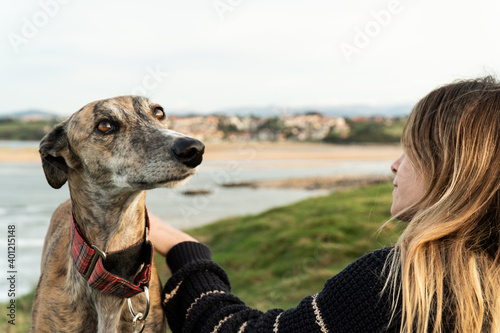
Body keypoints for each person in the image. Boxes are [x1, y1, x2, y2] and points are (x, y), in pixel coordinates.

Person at [149, 76, 500, 332]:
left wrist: (187, 251)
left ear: (453, 170)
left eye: (411, 150)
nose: (395, 164)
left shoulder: (398, 282)